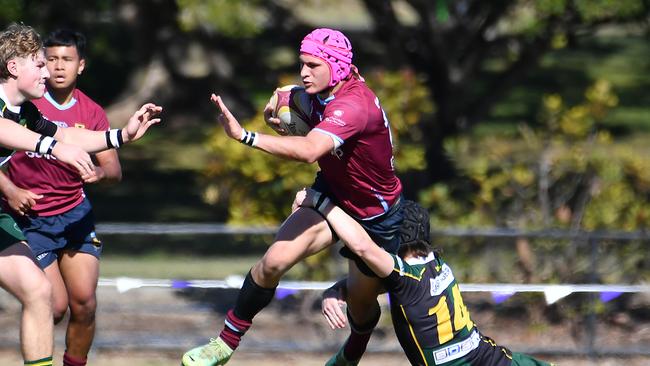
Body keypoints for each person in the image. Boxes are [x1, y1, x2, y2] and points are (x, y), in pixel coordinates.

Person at [182, 28, 403, 366]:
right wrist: (277, 113)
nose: (304, 73)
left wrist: (245, 136)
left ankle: (352, 350)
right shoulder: (315, 93)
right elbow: (287, 102)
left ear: (338, 67)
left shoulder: (355, 105)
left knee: (360, 304)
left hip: (375, 215)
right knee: (272, 262)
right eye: (302, 64)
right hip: (331, 193)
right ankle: (224, 344)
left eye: (313, 65)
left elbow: (310, 149)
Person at [0, 23, 162, 366]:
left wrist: (123, 136)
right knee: (43, 295)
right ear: (14, 68)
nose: (49, 71)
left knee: (40, 293)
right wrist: (52, 148)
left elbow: (69, 137)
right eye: (40, 63)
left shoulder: (26, 112)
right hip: (28, 219)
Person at [296, 190, 555, 366]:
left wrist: (319, 201)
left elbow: (363, 247)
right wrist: (334, 292)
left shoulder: (403, 276)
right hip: (491, 357)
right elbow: (372, 282)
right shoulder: (433, 263)